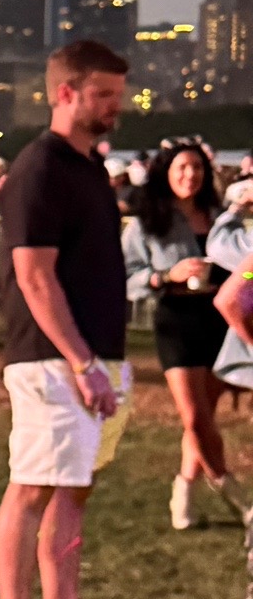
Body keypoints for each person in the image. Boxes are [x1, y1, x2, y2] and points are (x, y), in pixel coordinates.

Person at [0, 39, 140, 599]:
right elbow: (34, 275)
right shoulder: (40, 168)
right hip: (53, 359)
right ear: (65, 92)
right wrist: (81, 361)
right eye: (103, 94)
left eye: (118, 95)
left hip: (93, 354)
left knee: (74, 486)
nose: (114, 106)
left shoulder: (86, 168)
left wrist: (99, 360)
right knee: (32, 487)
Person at [124, 139, 237, 529]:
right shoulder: (148, 222)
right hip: (176, 320)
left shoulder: (220, 218)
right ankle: (236, 494)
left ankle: (183, 494)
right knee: (194, 417)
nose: (190, 175)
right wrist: (164, 276)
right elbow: (128, 276)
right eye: (182, 168)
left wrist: (242, 278)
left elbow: (246, 265)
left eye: (197, 168)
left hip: (219, 320)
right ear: (166, 174)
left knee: (205, 416)